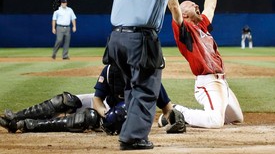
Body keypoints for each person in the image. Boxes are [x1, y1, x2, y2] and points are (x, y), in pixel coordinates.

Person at [62, 0, 239, 150]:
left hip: (116, 40)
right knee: (146, 89)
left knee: (131, 88)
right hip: (141, 39)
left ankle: (127, 126)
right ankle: (133, 138)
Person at [0, 64, 184, 134]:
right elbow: (97, 99)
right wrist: (103, 112)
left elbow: (167, 108)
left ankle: (27, 126)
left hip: (122, 115)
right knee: (65, 101)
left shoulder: (148, 77)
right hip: (105, 106)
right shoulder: (110, 70)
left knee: (88, 118)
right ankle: (15, 116)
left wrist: (173, 120)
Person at [164, 0, 244, 129]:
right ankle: (174, 111)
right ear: (184, 14)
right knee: (215, 121)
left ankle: (182, 112)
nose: (197, 5)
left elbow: (211, 6)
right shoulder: (184, 29)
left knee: (237, 118)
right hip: (208, 81)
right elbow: (174, 6)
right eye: (192, 4)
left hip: (221, 82)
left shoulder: (202, 25)